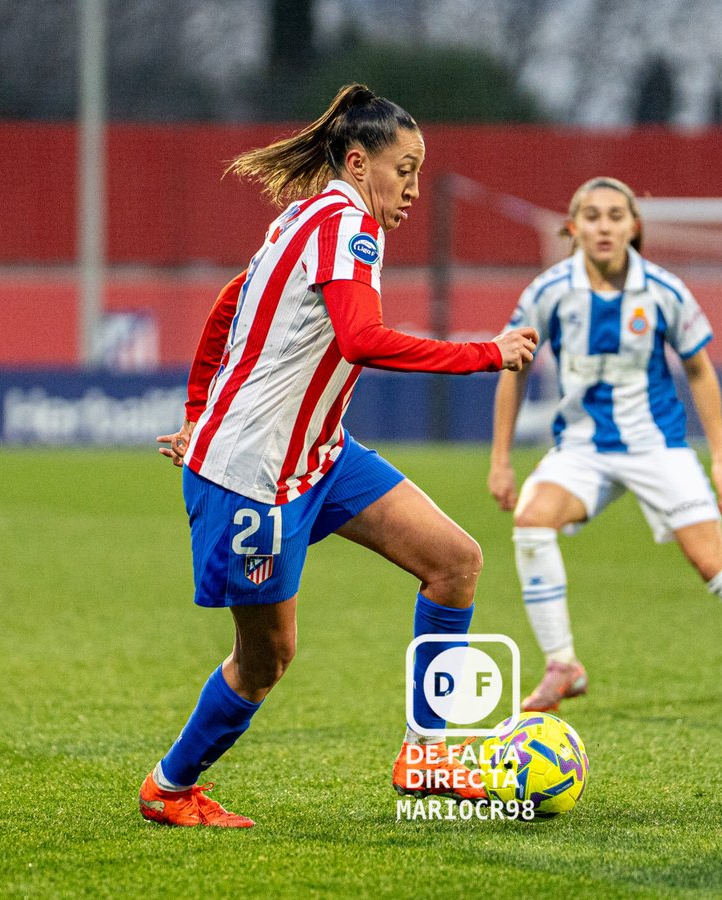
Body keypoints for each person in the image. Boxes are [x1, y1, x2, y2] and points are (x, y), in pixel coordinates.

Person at [140, 84, 539, 827]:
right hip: (252, 476)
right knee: (266, 659)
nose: (414, 188)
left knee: (454, 562)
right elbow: (361, 340)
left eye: (420, 172)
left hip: (320, 457)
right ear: (358, 163)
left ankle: (428, 757)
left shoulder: (313, 216)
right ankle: (169, 786)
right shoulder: (345, 226)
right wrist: (486, 353)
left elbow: (232, 301)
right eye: (405, 169)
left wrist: (197, 410)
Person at [488, 176, 722, 717]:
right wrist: (501, 460)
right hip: (580, 448)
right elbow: (513, 371)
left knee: (713, 562)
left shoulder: (664, 291)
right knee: (531, 522)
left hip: (658, 447)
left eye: (615, 216)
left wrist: (720, 459)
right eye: (593, 216)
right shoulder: (547, 291)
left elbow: (699, 370)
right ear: (574, 227)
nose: (604, 226)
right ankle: (563, 665)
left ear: (634, 225)